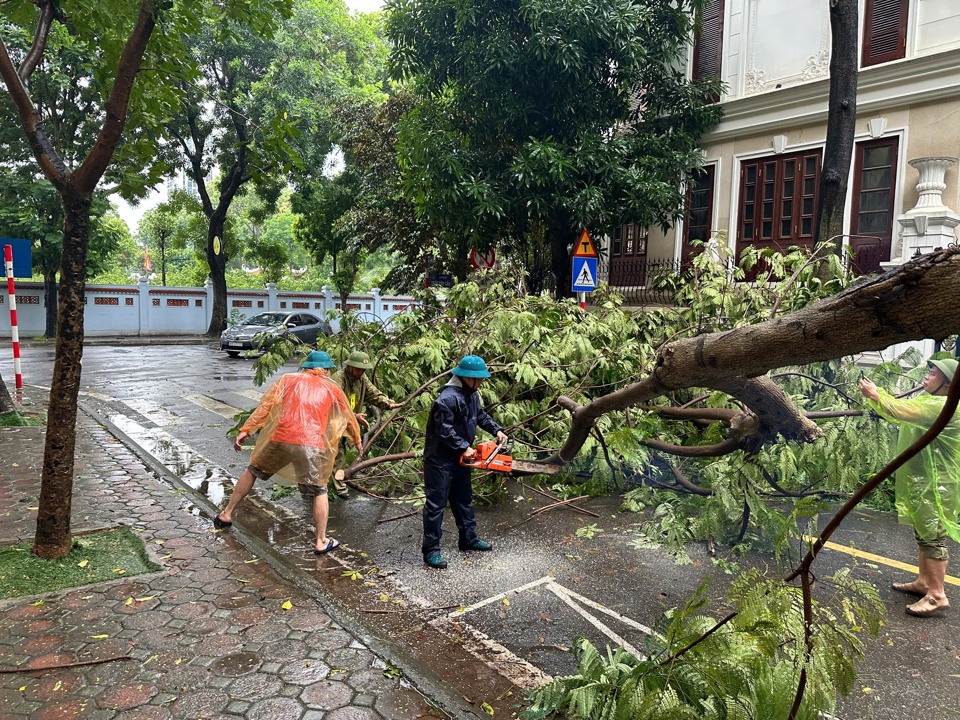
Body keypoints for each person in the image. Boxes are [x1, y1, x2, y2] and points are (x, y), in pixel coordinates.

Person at [215, 350, 362, 555]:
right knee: (320, 490)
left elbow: (265, 406)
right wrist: (357, 440)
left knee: (253, 470)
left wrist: (246, 430)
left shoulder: (287, 380)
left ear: (306, 366)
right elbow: (346, 417)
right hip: (312, 446)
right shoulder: (332, 388)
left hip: (281, 439)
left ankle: (226, 513)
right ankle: (321, 541)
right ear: (326, 369)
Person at [859, 357, 960, 617]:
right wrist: (877, 396)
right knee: (924, 534)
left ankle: (937, 595)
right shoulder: (933, 401)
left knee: (933, 538)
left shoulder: (944, 405)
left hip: (938, 486)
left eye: (934, 374)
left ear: (948, 384)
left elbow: (902, 411)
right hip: (926, 481)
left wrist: (875, 393)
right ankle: (924, 582)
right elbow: (903, 408)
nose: (927, 377)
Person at [421, 355, 508, 569]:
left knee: (464, 500)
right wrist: (464, 446)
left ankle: (468, 538)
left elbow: (480, 416)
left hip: (460, 460)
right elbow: (444, 431)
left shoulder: (471, 395)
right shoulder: (447, 399)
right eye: (478, 379)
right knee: (435, 506)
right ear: (467, 377)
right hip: (440, 461)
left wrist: (496, 429)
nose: (481, 382)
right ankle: (431, 550)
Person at [329, 350, 402, 498]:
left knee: (339, 451)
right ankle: (337, 487)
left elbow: (373, 393)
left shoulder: (362, 379)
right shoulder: (338, 379)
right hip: (332, 421)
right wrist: (354, 416)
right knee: (334, 452)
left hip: (347, 422)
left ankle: (334, 483)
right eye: (358, 368)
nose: (361, 371)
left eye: (363, 369)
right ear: (350, 367)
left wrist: (388, 404)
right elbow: (335, 403)